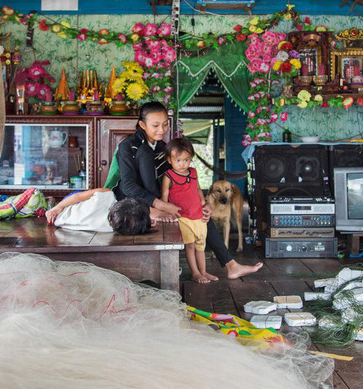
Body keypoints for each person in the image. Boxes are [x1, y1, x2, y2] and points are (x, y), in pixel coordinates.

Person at [112, 101, 262, 279]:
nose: (162, 130)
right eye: (155, 125)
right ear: (142, 125)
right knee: (144, 153)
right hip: (130, 202)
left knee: (200, 214)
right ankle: (190, 269)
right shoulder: (128, 146)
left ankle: (231, 265)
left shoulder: (161, 148)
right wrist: (160, 205)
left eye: (165, 124)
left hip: (155, 198)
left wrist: (203, 204)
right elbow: (128, 186)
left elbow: (182, 182)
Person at [161, 138, 213, 283]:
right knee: (190, 245)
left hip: (198, 216)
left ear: (191, 159)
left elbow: (197, 189)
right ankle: (195, 273)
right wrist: (165, 212)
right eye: (178, 160)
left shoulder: (193, 172)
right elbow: (164, 195)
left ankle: (204, 271)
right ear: (169, 160)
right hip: (183, 218)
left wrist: (204, 203)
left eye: (186, 160)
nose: (182, 164)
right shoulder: (168, 176)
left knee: (201, 246)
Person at [45, 188, 153, 235]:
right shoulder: (111, 229)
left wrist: (57, 207)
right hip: (58, 220)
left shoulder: (107, 194)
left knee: (81, 194)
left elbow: (77, 196)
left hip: (65, 207)